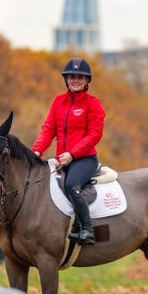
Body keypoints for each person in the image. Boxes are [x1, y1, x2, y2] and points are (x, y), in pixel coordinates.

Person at [32, 58, 105, 245]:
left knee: (72, 185)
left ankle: (87, 230)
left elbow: (94, 135)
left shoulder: (93, 104)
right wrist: (37, 151)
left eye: (80, 77)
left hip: (84, 159)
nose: (76, 80)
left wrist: (72, 154)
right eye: (72, 76)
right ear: (66, 79)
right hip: (61, 159)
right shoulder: (58, 101)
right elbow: (48, 129)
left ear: (87, 81)